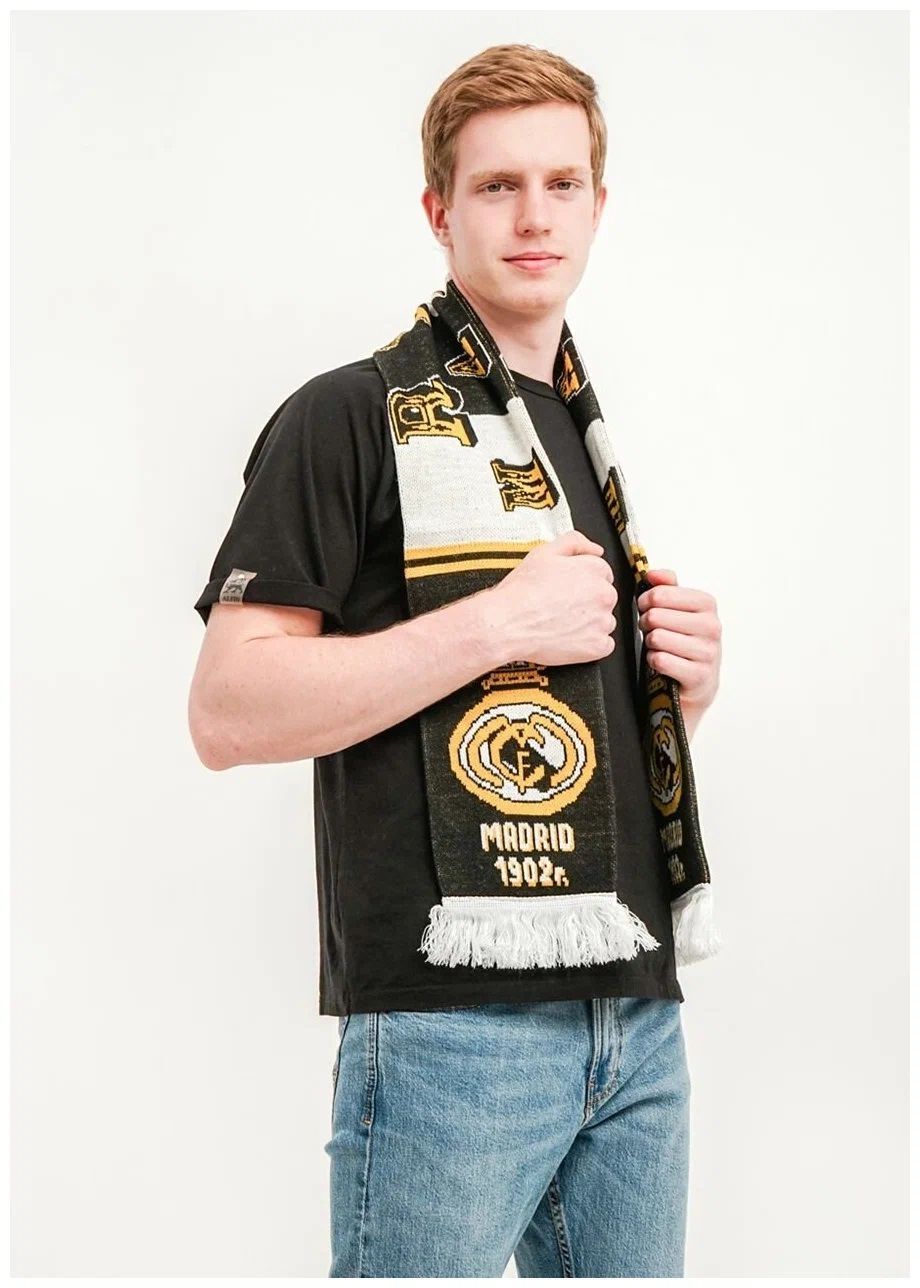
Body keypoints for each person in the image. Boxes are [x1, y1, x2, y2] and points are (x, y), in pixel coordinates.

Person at [188, 42, 722, 1279]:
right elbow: (226, 708)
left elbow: (545, 714)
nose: (534, 217)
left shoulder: (575, 431)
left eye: (561, 183)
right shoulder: (349, 413)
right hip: (450, 1024)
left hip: (633, 1011)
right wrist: (494, 625)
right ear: (438, 210)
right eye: (496, 187)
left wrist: (677, 694)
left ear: (597, 203)